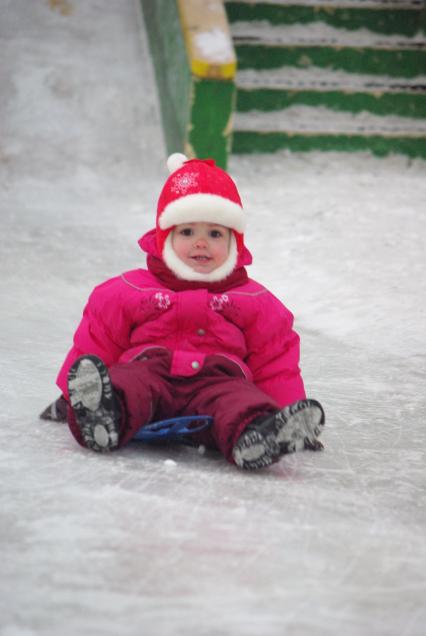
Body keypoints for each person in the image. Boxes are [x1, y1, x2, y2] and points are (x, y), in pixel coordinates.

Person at [49, 153, 325, 470]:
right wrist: (69, 396)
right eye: (187, 232)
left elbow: (275, 362)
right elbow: (98, 340)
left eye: (215, 234)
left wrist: (284, 410)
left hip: (217, 383)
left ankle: (261, 433)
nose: (201, 244)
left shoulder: (255, 300)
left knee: (239, 402)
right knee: (126, 383)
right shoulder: (131, 289)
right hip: (149, 372)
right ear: (165, 236)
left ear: (235, 241)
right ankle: (101, 413)